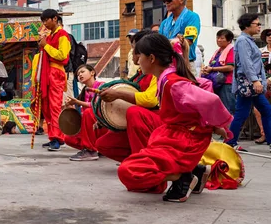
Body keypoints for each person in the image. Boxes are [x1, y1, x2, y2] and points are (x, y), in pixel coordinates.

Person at [118, 33, 232, 202]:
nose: (136, 59)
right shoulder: (164, 77)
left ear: (151, 58)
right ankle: (195, 171)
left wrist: (217, 125)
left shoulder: (173, 83)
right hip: (173, 135)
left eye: (138, 55)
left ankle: (183, 177)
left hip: (186, 140)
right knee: (130, 168)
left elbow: (210, 99)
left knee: (129, 171)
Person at [89, 30, 161, 163]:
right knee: (104, 144)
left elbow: (151, 100)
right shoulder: (140, 74)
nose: (134, 54)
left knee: (134, 112)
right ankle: (138, 161)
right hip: (142, 120)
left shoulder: (160, 73)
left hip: (160, 122)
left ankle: (145, 164)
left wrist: (117, 94)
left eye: (135, 49)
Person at [225, 14, 271, 152]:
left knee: (266, 110)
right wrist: (256, 81)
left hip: (251, 84)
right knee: (242, 113)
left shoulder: (249, 41)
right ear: (247, 26)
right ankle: (230, 142)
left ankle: (270, 140)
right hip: (249, 84)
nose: (259, 26)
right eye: (256, 24)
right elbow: (246, 63)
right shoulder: (243, 41)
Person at [35, 9, 71, 150]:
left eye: (46, 20)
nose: (45, 23)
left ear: (55, 18)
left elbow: (62, 56)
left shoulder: (63, 35)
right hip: (47, 72)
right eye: (43, 21)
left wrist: (46, 46)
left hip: (56, 72)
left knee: (55, 106)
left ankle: (57, 137)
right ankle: (53, 136)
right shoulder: (49, 36)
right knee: (47, 108)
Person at [61, 64, 104, 159]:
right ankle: (98, 149)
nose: (79, 75)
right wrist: (69, 106)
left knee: (88, 112)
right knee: (69, 139)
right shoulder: (85, 91)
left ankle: (90, 151)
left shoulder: (102, 86)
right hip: (91, 128)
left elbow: (96, 105)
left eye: (82, 72)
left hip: (102, 126)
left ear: (92, 72)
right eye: (78, 74)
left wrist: (77, 101)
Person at [158, 0, 201, 74]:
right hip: (167, 65)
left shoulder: (192, 17)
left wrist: (168, 43)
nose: (166, 2)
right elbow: (158, 43)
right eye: (165, 0)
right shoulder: (164, 23)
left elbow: (188, 41)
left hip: (185, 64)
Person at [201, 29, 235, 114]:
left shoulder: (232, 50)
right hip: (217, 83)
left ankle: (229, 127)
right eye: (217, 38)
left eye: (222, 38)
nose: (219, 40)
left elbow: (231, 67)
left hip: (227, 83)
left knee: (227, 109)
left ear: (229, 40)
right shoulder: (218, 51)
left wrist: (212, 69)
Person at [253, 29, 271, 143]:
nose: (270, 37)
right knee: (258, 109)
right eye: (268, 35)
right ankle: (264, 133)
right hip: (263, 83)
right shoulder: (260, 51)